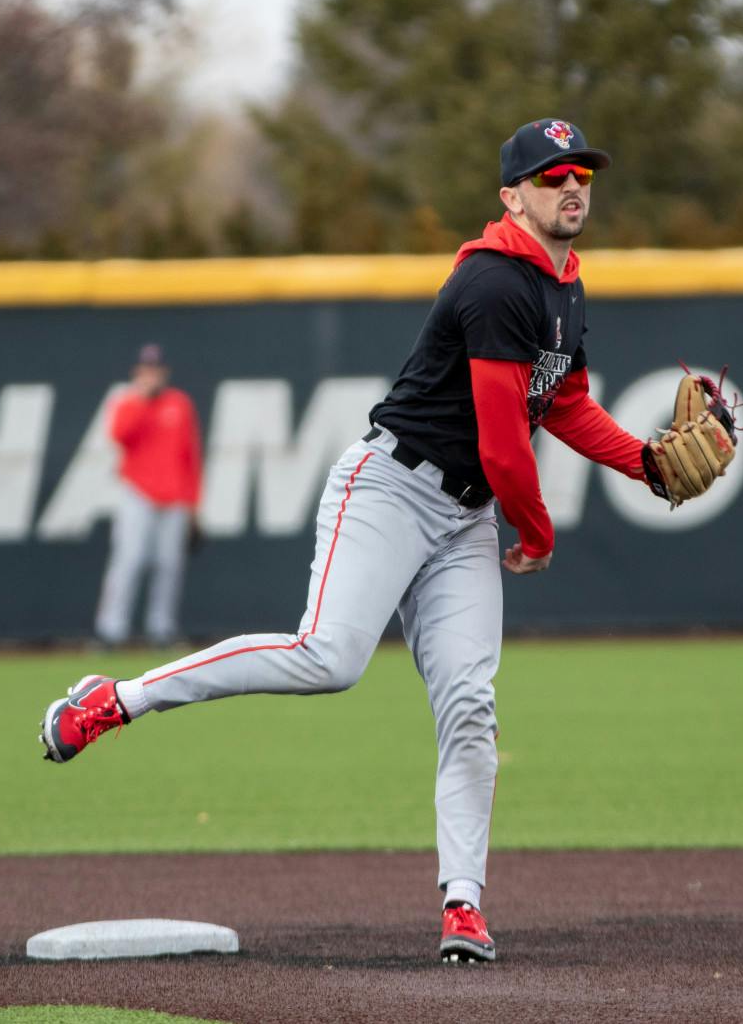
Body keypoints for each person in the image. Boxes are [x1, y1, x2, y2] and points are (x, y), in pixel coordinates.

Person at [41, 118, 679, 965]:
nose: (572, 188)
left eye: (582, 175)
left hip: (464, 520)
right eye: (553, 175)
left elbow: (562, 402)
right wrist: (538, 528)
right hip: (391, 489)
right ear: (512, 194)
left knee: (470, 707)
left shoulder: (565, 283)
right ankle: (115, 697)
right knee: (328, 657)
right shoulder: (494, 282)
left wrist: (644, 463)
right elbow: (499, 440)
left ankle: (464, 908)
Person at [92, 342, 202, 648]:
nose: (151, 375)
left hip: (175, 495)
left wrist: (194, 505)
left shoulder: (179, 403)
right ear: (137, 372)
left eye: (156, 369)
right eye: (146, 369)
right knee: (129, 560)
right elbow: (119, 435)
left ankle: (161, 629)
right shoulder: (127, 402)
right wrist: (142, 398)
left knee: (169, 564)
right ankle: (110, 630)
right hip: (138, 492)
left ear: (165, 372)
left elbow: (190, 456)